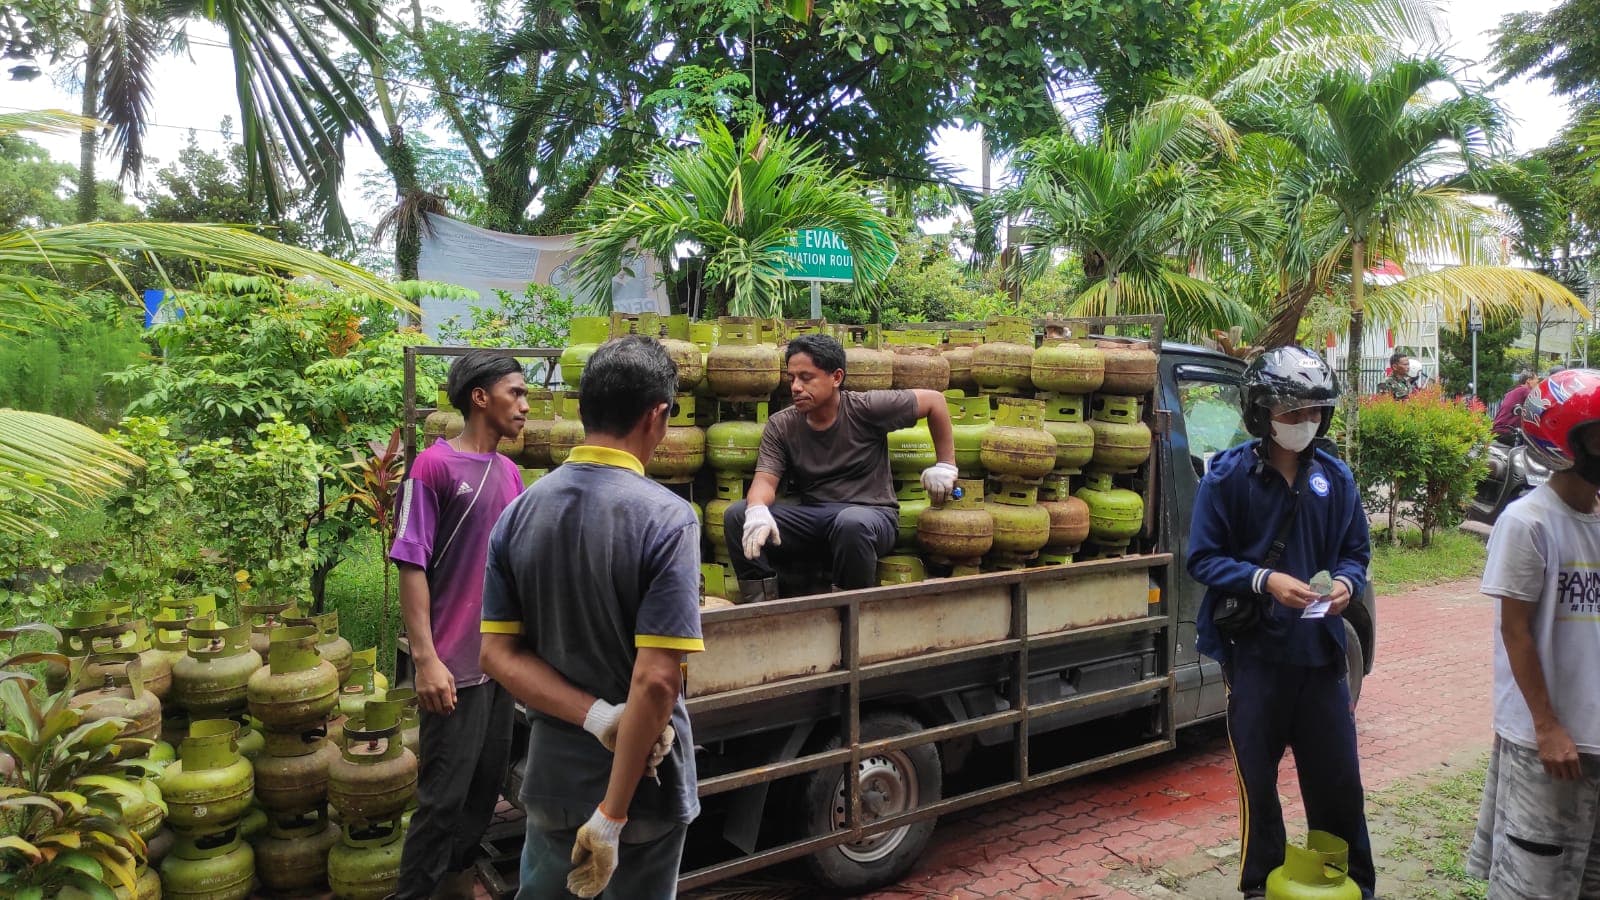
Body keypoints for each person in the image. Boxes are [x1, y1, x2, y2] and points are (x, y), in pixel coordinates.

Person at [480, 335, 698, 899]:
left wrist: (597, 716)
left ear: (583, 410)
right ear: (658, 415)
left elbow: (496, 655)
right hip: (639, 793)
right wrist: (611, 816)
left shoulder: (519, 513)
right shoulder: (667, 519)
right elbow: (654, 679)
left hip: (553, 780)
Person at [1187, 346, 1375, 900]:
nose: (1304, 423)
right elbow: (1203, 558)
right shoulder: (1226, 478)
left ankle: (1353, 884)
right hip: (1255, 656)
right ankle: (1258, 888)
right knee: (1259, 785)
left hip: (1320, 657)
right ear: (1261, 413)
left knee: (1338, 779)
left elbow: (1355, 551)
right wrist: (1264, 580)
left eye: (1314, 413)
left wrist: (1344, 583)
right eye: (1292, 413)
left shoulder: (1336, 479)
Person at [389, 351, 527, 899]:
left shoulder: (511, 472)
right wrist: (425, 659)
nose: (524, 405)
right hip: (451, 670)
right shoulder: (433, 467)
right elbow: (410, 562)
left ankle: (457, 888)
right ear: (479, 397)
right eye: (515, 393)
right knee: (440, 802)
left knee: (481, 796)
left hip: (496, 670)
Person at [1467, 368, 1600, 897]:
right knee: (1535, 884)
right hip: (1549, 744)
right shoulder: (1528, 523)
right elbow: (1515, 632)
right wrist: (1547, 726)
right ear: (1565, 439)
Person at [724, 333, 959, 601]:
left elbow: (934, 402)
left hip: (871, 515)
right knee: (737, 515)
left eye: (806, 377)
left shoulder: (865, 409)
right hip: (814, 516)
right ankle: (761, 604)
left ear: (836, 378)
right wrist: (756, 510)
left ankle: (849, 611)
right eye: (792, 378)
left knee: (851, 524)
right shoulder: (782, 425)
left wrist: (946, 464)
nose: (796, 387)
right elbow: (765, 482)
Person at [1491, 371, 1537, 444]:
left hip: (1497, 430)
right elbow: (1537, 405)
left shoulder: (1511, 392)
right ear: (1528, 380)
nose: (1537, 382)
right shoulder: (1525, 390)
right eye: (1536, 379)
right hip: (1507, 431)